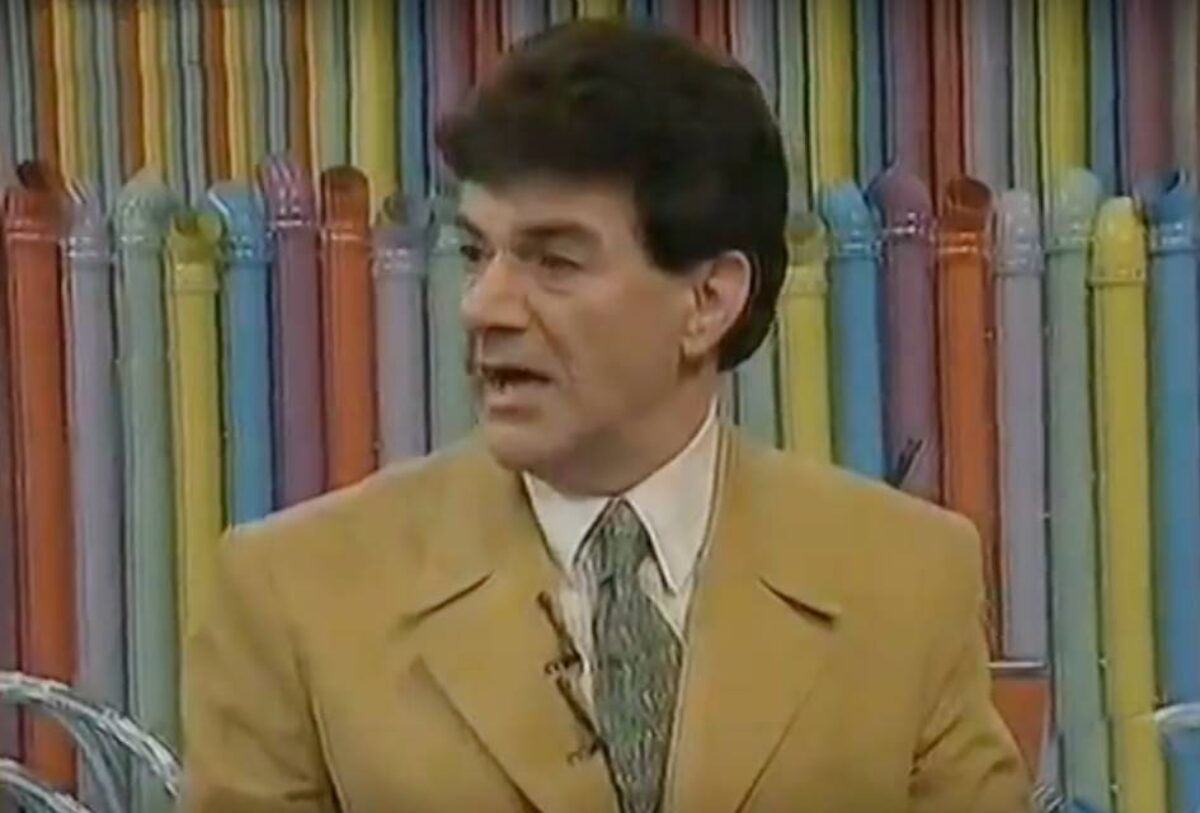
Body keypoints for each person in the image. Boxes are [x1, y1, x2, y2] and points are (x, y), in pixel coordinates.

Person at [182, 20, 1031, 813]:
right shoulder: (293, 596)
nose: (484, 306)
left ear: (708, 300)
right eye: (477, 253)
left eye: (554, 260)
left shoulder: (908, 581)